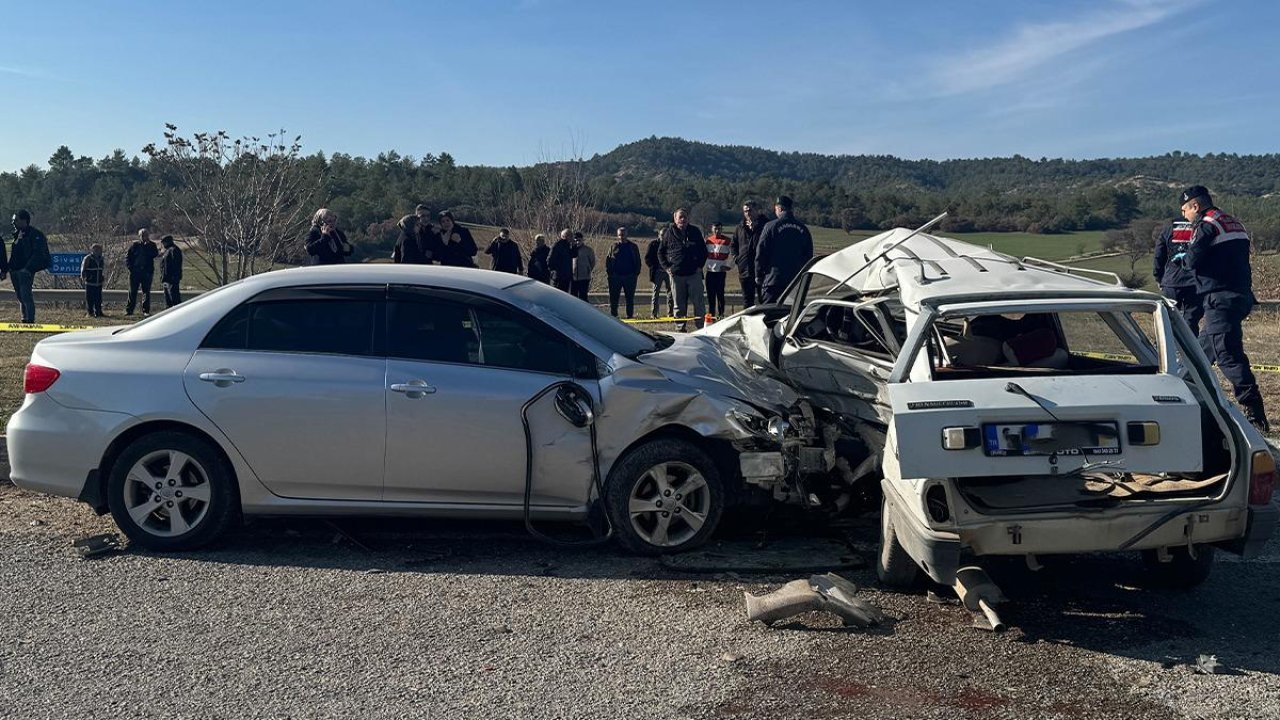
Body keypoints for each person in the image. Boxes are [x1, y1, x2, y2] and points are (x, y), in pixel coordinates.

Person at [1176, 186, 1269, 431]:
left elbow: (1193, 260)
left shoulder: (1206, 224)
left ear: (1195, 206)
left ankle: (1254, 412)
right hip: (1240, 295)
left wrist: (1183, 260)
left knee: (1227, 353)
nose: (1184, 215)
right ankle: (1181, 397)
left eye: (1185, 210)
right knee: (1201, 353)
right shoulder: (1232, 222)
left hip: (1220, 298)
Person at [756, 195, 813, 304]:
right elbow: (808, 256)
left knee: (769, 316)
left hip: (773, 281)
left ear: (780, 208)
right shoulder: (803, 229)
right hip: (795, 283)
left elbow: (761, 252)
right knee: (791, 316)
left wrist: (759, 275)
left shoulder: (770, 226)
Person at [658, 208, 707, 329]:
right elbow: (660, 252)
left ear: (688, 218)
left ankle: (701, 328)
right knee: (678, 305)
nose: (683, 219)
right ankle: (680, 328)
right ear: (675, 219)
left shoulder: (695, 232)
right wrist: (667, 268)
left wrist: (700, 266)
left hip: (693, 274)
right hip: (676, 276)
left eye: (685, 217)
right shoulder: (668, 233)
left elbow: (704, 251)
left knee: (699, 304)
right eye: (680, 217)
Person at [1152, 217, 1201, 333]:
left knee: (1168, 318)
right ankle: (1188, 348)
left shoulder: (1168, 227)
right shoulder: (1201, 226)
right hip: (1195, 280)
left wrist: (1158, 277)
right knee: (1191, 319)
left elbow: (1159, 254)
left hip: (1172, 280)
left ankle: (1164, 346)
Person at [1, 209, 50, 323]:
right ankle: (24, 318)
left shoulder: (35, 235)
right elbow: (14, 254)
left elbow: (38, 254)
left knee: (26, 295)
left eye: (16, 220)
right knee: (20, 297)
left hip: (25, 271)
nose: (13, 223)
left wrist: (27, 269)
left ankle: (30, 320)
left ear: (24, 220)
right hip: (15, 271)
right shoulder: (16, 236)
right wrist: (8, 268)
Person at [732, 200, 769, 308]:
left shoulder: (766, 226)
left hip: (762, 270)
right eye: (745, 211)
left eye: (750, 210)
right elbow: (733, 245)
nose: (747, 213)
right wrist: (736, 258)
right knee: (747, 301)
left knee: (764, 300)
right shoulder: (740, 227)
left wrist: (755, 229)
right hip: (745, 270)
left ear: (757, 210)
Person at [605, 227, 642, 318]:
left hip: (629, 276)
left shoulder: (633, 247)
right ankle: (614, 315)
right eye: (619, 235)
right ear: (617, 235)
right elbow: (608, 260)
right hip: (615, 277)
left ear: (627, 235)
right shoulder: (613, 246)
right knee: (614, 298)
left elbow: (638, 261)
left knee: (629, 298)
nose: (621, 237)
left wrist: (635, 273)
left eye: (623, 234)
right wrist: (610, 273)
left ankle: (630, 316)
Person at [125, 228, 159, 316]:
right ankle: (129, 310)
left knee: (146, 292)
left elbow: (155, 254)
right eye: (143, 235)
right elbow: (128, 257)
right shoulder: (134, 245)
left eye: (146, 235)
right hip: (135, 271)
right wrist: (130, 268)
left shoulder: (152, 245)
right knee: (132, 291)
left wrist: (147, 247)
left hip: (147, 272)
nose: (145, 237)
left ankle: (145, 311)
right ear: (139, 236)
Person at [704, 221, 732, 317]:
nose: (717, 231)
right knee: (710, 296)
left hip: (720, 272)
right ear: (712, 229)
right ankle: (711, 316)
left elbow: (734, 254)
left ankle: (721, 315)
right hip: (710, 272)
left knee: (720, 295)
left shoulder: (727, 241)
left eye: (719, 229)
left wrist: (729, 266)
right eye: (715, 229)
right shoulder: (708, 241)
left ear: (722, 229)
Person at [645, 228, 674, 319]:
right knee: (655, 293)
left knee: (671, 293)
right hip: (657, 272)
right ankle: (654, 314)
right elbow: (647, 258)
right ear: (658, 235)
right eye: (662, 235)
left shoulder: (671, 244)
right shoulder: (653, 244)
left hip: (668, 272)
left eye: (665, 235)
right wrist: (653, 267)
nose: (663, 237)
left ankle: (670, 313)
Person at [569, 231, 596, 301]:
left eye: (579, 240)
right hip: (573, 277)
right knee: (572, 296)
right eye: (575, 240)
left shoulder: (588, 250)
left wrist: (588, 270)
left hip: (584, 277)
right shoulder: (570, 250)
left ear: (582, 240)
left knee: (583, 297)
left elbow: (592, 262)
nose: (577, 242)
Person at [80, 243, 105, 317]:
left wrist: (102, 277)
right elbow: (83, 269)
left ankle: (98, 312)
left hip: (98, 282)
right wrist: (83, 277)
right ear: (92, 250)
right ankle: (90, 313)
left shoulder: (101, 259)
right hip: (90, 282)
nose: (97, 251)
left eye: (99, 249)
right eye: (96, 249)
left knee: (98, 299)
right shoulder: (88, 258)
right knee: (90, 299)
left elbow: (102, 269)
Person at [159, 235, 183, 308]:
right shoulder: (168, 250)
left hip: (172, 279)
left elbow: (176, 265)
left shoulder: (174, 250)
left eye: (163, 243)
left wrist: (174, 277)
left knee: (174, 299)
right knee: (168, 300)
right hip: (166, 279)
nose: (162, 245)